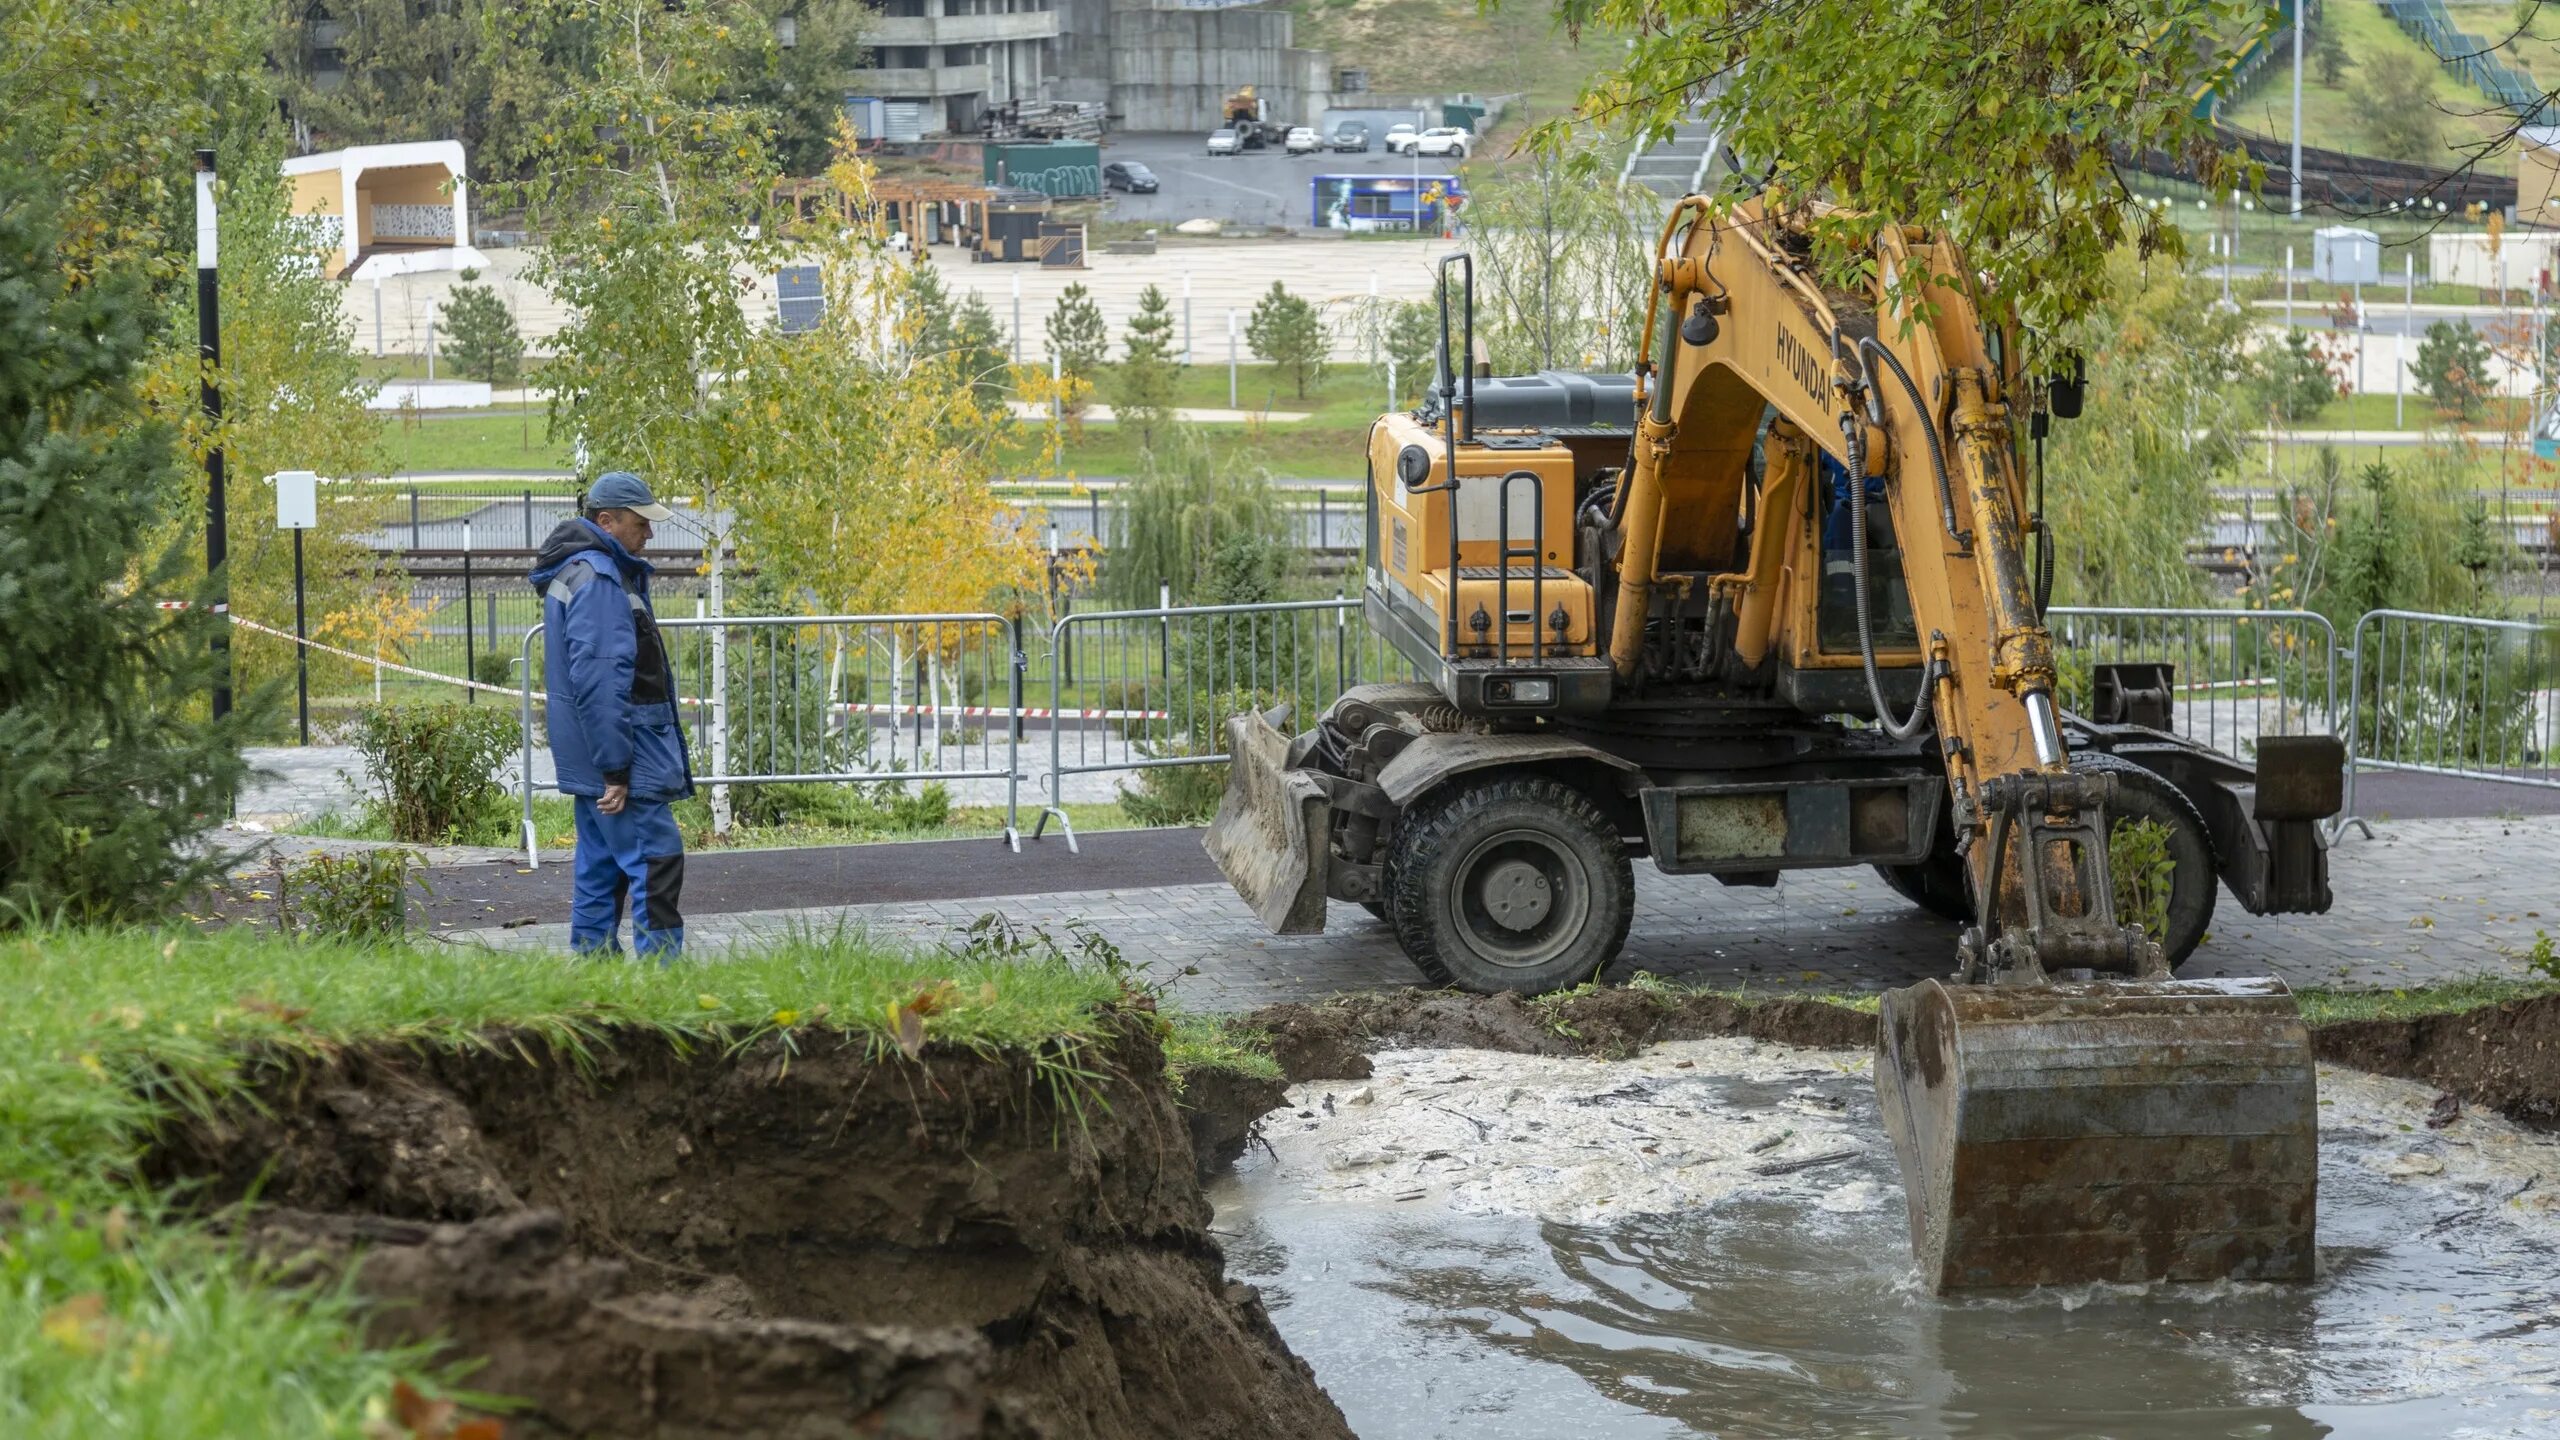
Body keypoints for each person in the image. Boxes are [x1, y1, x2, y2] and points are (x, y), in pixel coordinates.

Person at [528, 472, 694, 960]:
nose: (650, 534)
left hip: (593, 758)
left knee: (599, 870)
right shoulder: (600, 578)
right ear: (607, 520)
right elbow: (602, 682)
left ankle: (594, 980)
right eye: (641, 523)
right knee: (655, 862)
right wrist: (616, 771)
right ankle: (663, 981)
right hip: (625, 759)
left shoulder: (578, 570)